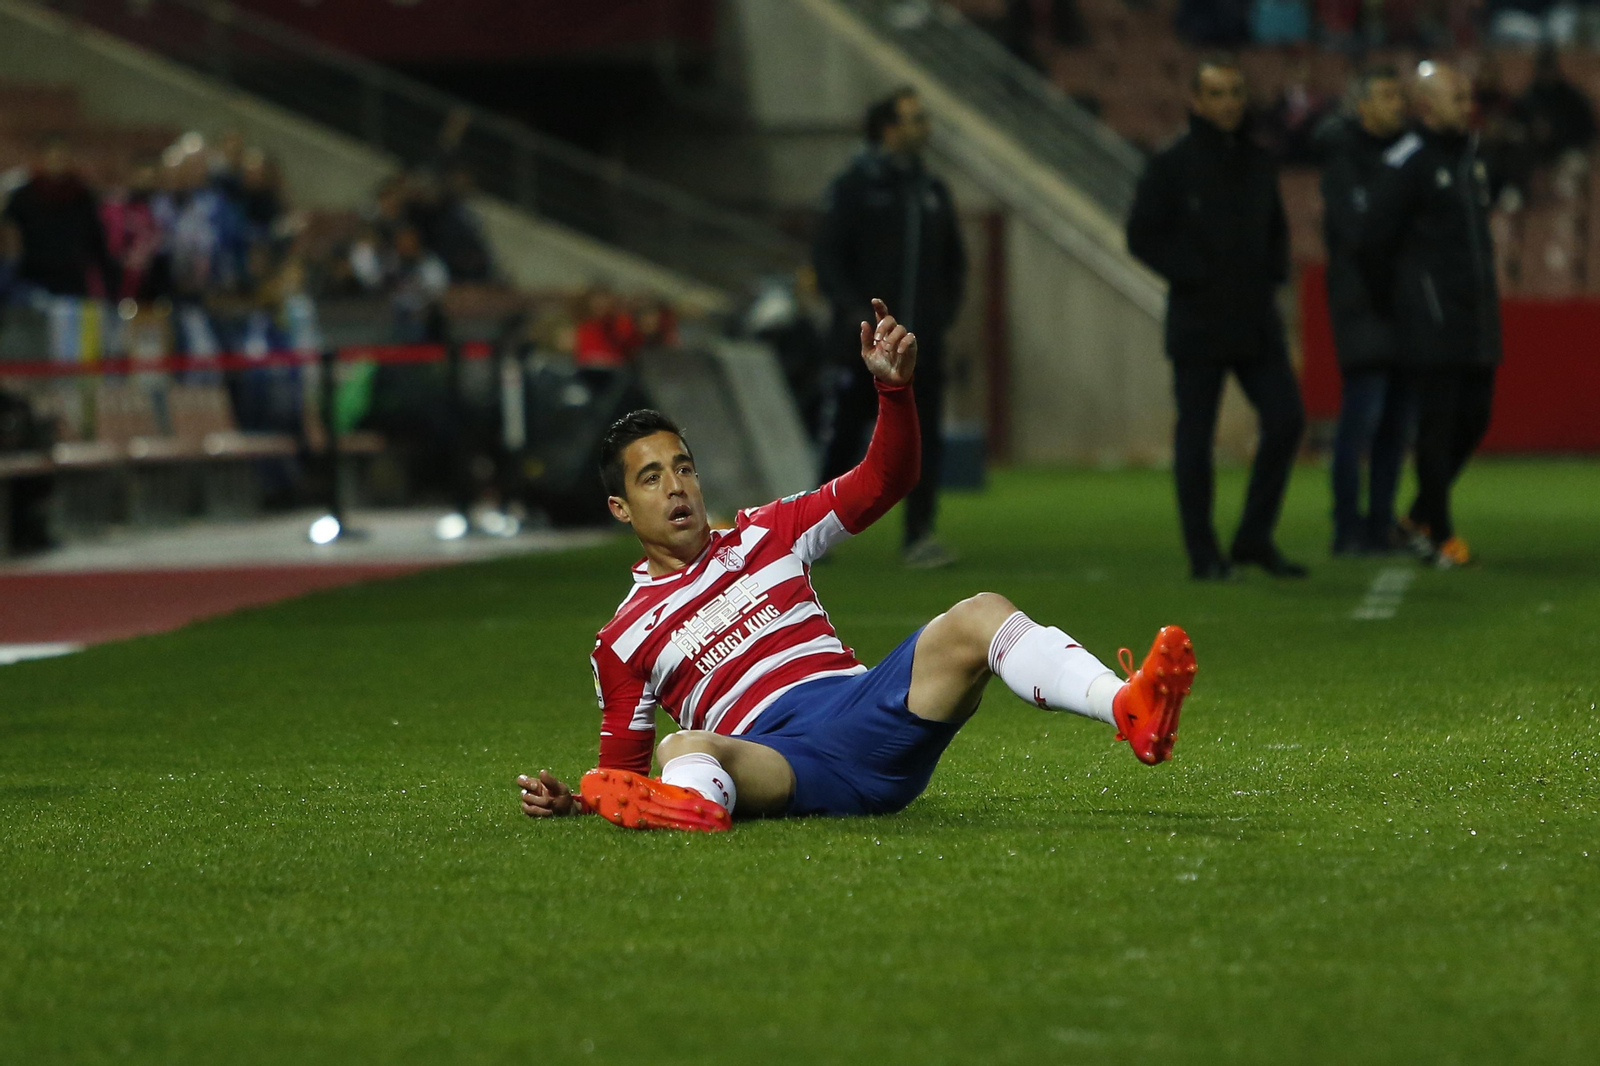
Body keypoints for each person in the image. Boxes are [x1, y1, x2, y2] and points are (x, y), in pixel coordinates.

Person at [516, 299, 1198, 832]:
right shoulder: (623, 638)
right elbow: (621, 775)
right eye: (652, 478)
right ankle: (699, 808)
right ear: (619, 507)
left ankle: (1127, 706)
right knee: (683, 748)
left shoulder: (767, 531)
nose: (676, 488)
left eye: (684, 468)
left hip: (866, 712)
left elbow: (884, 482)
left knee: (981, 613)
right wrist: (578, 800)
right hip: (779, 759)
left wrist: (894, 393)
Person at [1125, 56, 1308, 581]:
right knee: (1196, 439)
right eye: (1217, 93)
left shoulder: (1257, 159)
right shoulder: (1171, 164)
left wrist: (1271, 275)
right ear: (1196, 101)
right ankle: (1203, 554)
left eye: (1236, 93)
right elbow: (1141, 234)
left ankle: (1253, 538)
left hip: (1255, 321)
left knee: (1287, 420)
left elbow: (1275, 230)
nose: (1229, 103)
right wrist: (1195, 274)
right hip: (1199, 322)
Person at [814, 88, 966, 569]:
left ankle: (919, 534)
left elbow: (954, 262)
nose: (925, 127)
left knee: (922, 441)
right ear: (889, 129)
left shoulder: (931, 191)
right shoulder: (853, 187)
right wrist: (854, 315)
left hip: (920, 347)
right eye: (914, 119)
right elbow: (828, 258)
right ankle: (813, 538)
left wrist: (938, 319)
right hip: (861, 345)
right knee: (844, 438)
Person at [1358, 61, 1500, 569]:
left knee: (1475, 417)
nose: (1467, 107)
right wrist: (1403, 302)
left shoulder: (1470, 158)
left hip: (1475, 316)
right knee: (1436, 427)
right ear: (1426, 106)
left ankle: (1418, 516)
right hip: (1431, 317)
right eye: (1456, 99)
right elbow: (1373, 242)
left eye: (1467, 97)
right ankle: (1441, 536)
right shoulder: (1408, 161)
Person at [1319, 66, 1411, 556]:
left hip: (1401, 307)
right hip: (1363, 307)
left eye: (1398, 95)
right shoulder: (1345, 158)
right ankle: (1347, 527)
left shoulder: (1406, 154)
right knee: (1361, 422)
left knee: (1394, 427)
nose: (1397, 104)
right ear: (1362, 107)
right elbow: (1358, 230)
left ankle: (1379, 524)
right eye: (1386, 95)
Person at [1, 135, 119, 298]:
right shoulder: (24, 196)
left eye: (61, 156)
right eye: (51, 156)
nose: (56, 162)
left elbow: (96, 240)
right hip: (32, 279)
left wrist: (109, 281)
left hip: (72, 279)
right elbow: (9, 233)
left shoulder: (82, 196)